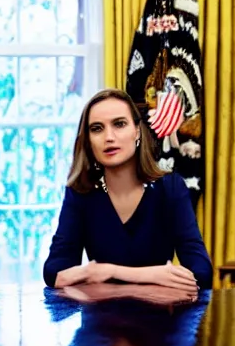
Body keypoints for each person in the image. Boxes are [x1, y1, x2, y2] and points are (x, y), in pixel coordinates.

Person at [43, 88, 213, 293]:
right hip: (101, 319)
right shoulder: (81, 192)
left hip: (161, 319)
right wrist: (96, 272)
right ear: (88, 140)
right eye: (97, 128)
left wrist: (110, 272)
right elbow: (54, 272)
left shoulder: (170, 188)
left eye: (119, 124)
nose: (109, 137)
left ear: (137, 131)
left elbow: (202, 273)